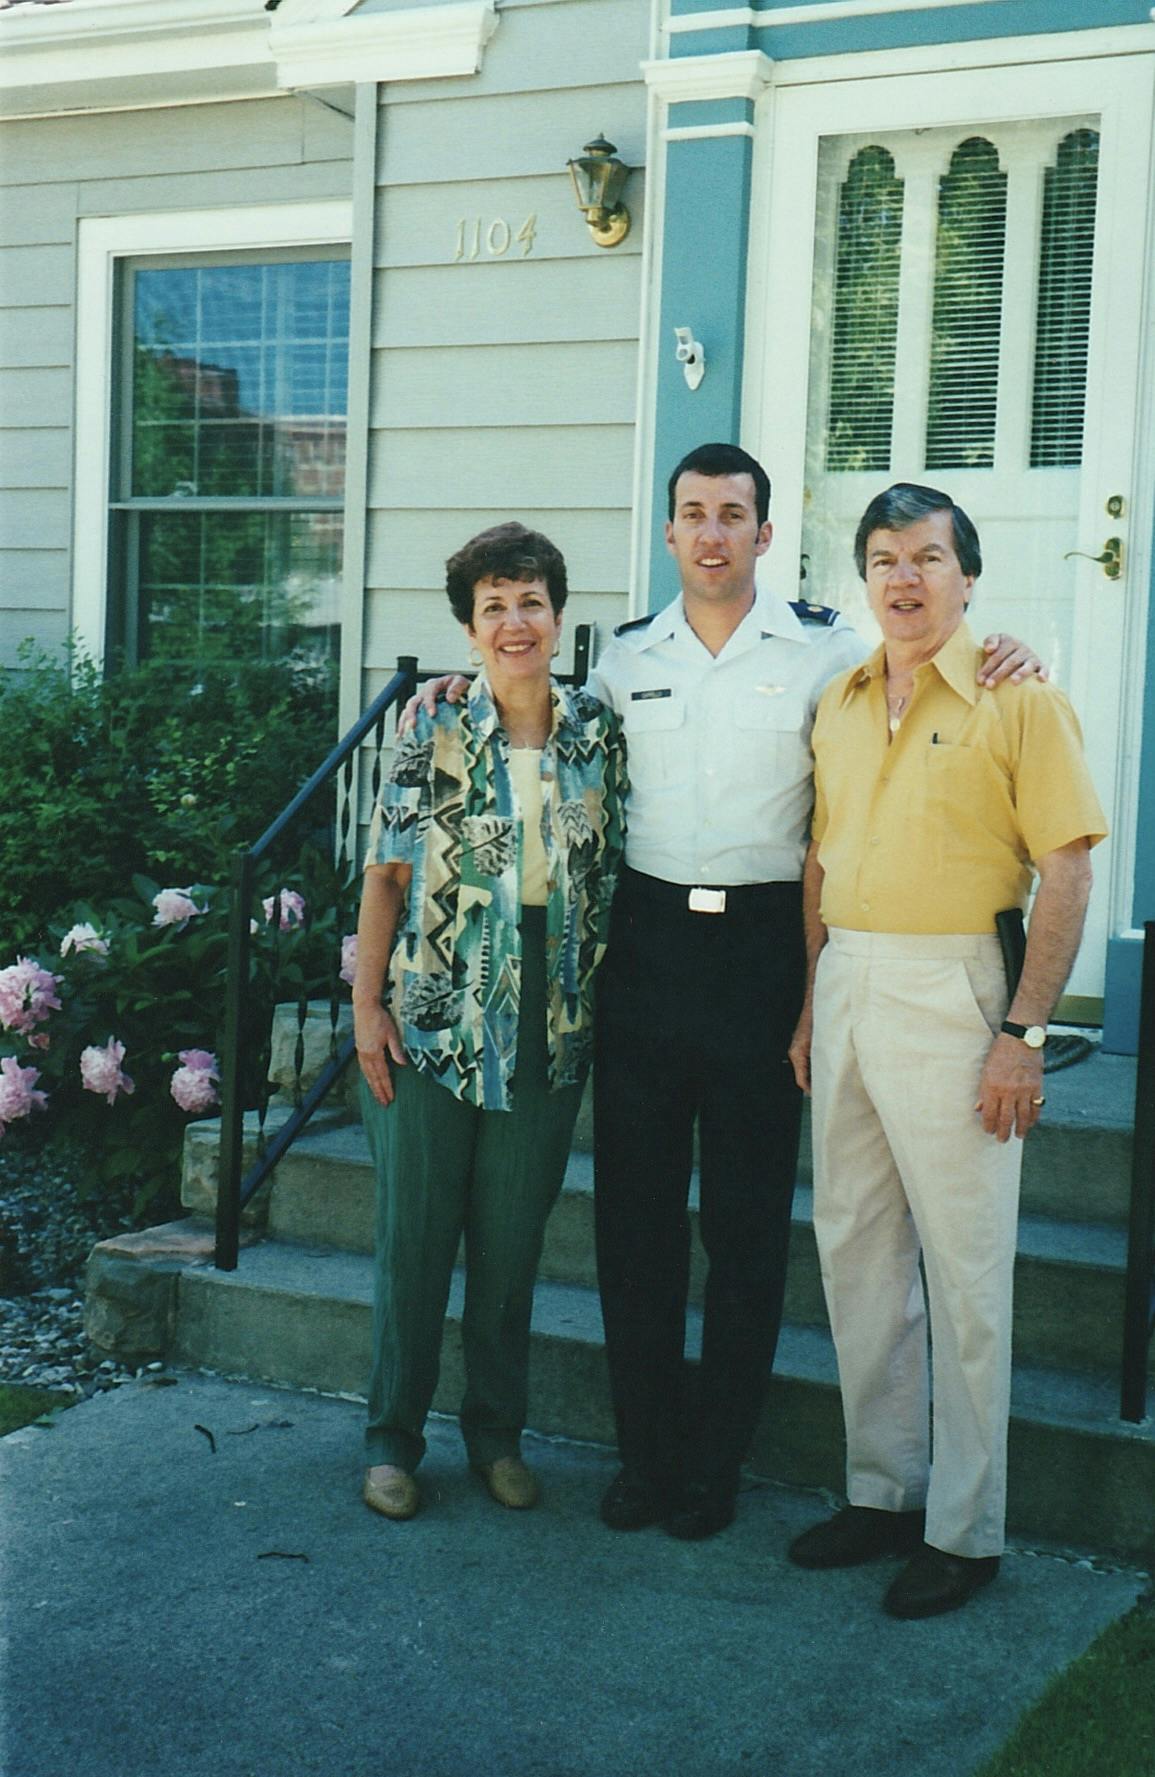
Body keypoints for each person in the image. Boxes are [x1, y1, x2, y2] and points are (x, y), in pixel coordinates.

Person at [407, 443, 1040, 1541]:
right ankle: (645, 1458)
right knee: (635, 1223)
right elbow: (533, 721)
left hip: (764, 954)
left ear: (763, 533)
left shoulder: (829, 653)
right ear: (668, 534)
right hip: (646, 953)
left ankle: (715, 1466)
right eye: (692, 514)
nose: (711, 533)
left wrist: (1005, 653)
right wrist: (468, 680)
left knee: (747, 1226)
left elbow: (923, 662)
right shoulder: (620, 664)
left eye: (732, 514)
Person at [786, 482, 1106, 1617]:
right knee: (856, 1247)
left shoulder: (1024, 702)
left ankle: (966, 1530)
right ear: (864, 581)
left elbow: (1065, 868)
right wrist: (816, 1003)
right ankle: (882, 1489)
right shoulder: (840, 698)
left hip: (958, 988)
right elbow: (821, 862)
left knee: (964, 1268)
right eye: (883, 559)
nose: (905, 577)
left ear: (968, 576)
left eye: (928, 556)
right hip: (850, 979)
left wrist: (1021, 1034)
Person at [352, 521, 625, 1522]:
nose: (515, 622)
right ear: (471, 627)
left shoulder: (599, 732)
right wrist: (365, 1006)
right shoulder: (434, 727)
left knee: (510, 1248)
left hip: (551, 1019)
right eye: (494, 606)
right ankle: (391, 1440)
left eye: (532, 603)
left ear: (559, 618)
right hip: (432, 1013)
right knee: (414, 1240)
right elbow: (385, 875)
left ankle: (497, 1436)